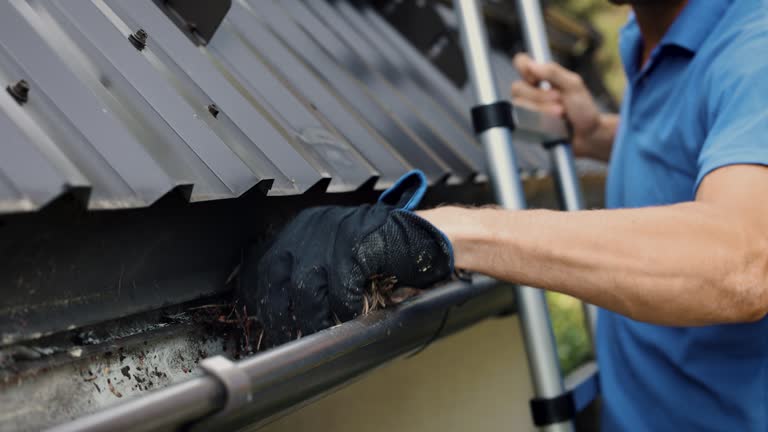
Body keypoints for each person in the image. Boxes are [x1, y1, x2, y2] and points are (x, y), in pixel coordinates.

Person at [239, 0, 768, 430]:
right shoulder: (650, 33)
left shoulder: (755, 45)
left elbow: (742, 263)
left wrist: (451, 231)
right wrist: (600, 134)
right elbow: (703, 146)